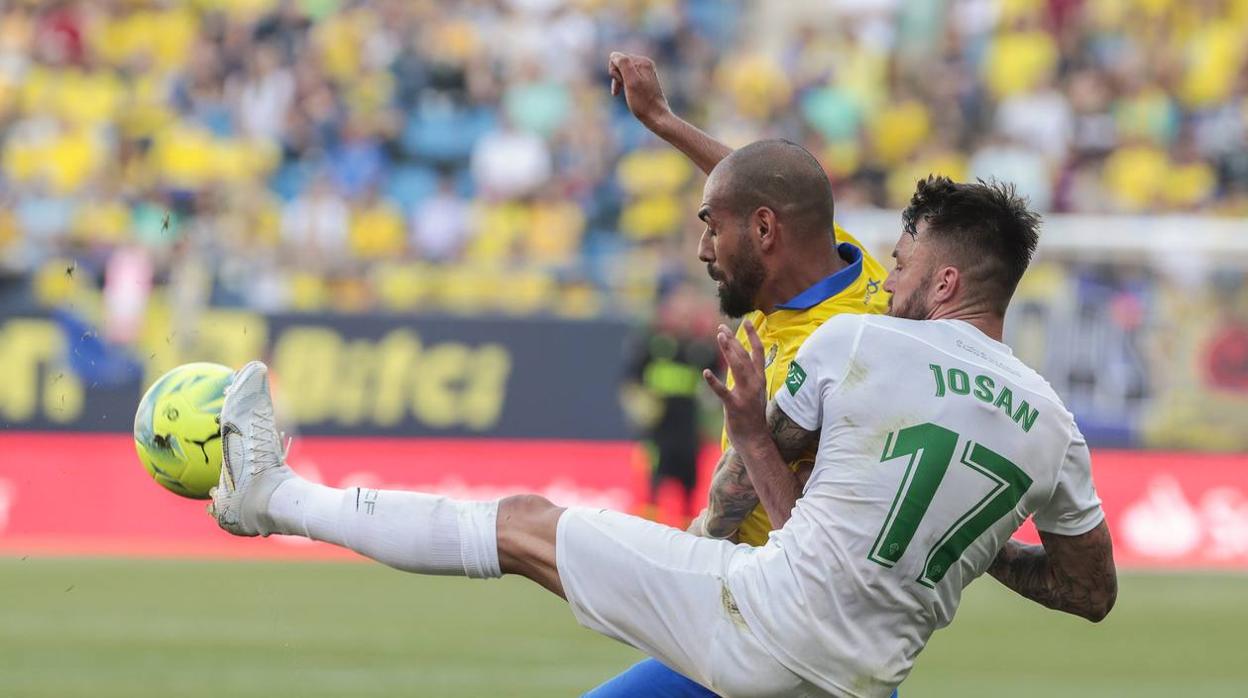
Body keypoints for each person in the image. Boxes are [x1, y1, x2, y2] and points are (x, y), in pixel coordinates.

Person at [209, 163, 1117, 697]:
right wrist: (986, 546)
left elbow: (756, 495)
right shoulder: (1053, 427)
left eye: (907, 263)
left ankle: (270, 495)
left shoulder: (862, 341)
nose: (893, 279)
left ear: (949, 284)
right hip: (856, 682)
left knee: (525, 525)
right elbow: (1090, 593)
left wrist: (751, 445)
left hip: (763, 621)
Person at [593, 53, 891, 696]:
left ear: (762, 234)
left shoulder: (823, 354)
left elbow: (732, 503)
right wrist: (663, 121)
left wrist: (661, 579)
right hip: (834, 626)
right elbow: (766, 190)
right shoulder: (848, 266)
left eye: (712, 230)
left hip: (774, 618)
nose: (703, 248)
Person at [621, 282, 718, 525]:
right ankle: (644, 533)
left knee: (689, 489)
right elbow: (631, 380)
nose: (684, 316)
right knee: (652, 486)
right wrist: (640, 406)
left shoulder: (702, 349)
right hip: (657, 431)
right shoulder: (652, 343)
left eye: (689, 310)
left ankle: (685, 535)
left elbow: (717, 386)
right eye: (679, 309)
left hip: (689, 430)